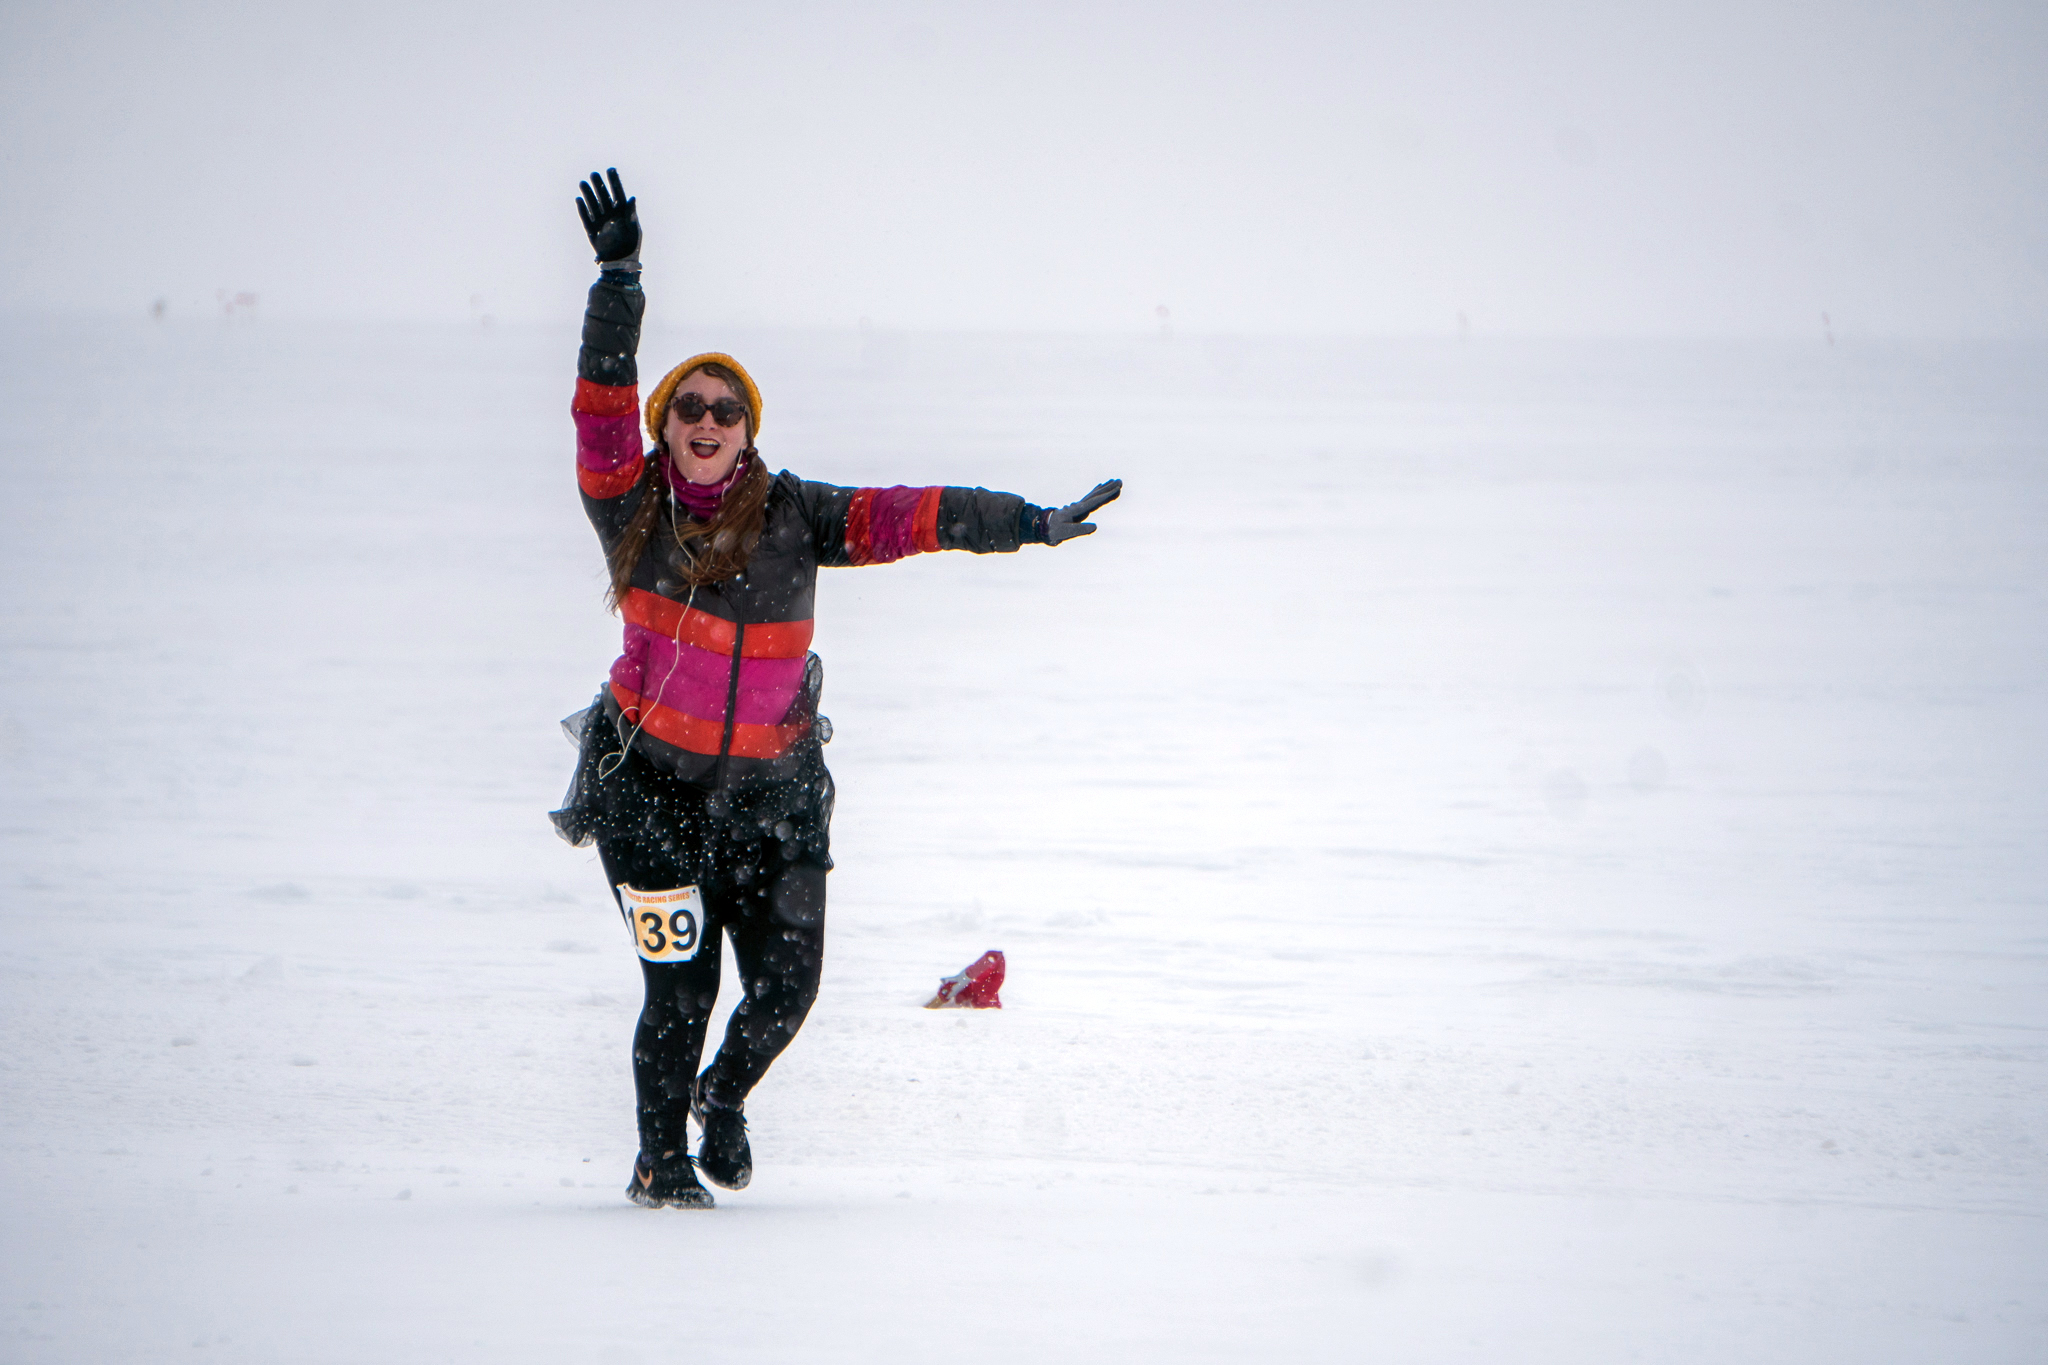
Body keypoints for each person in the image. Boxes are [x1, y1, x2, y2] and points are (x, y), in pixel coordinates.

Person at [551, 168, 1121, 1209]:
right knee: (680, 991)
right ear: (667, 426)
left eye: (726, 407)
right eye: (688, 407)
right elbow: (597, 404)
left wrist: (1025, 521)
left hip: (772, 795)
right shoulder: (628, 507)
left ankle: (719, 1099)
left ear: (747, 427)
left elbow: (913, 514)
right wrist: (619, 282)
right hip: (649, 793)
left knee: (785, 989)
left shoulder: (798, 516)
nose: (707, 418)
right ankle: (657, 1165)